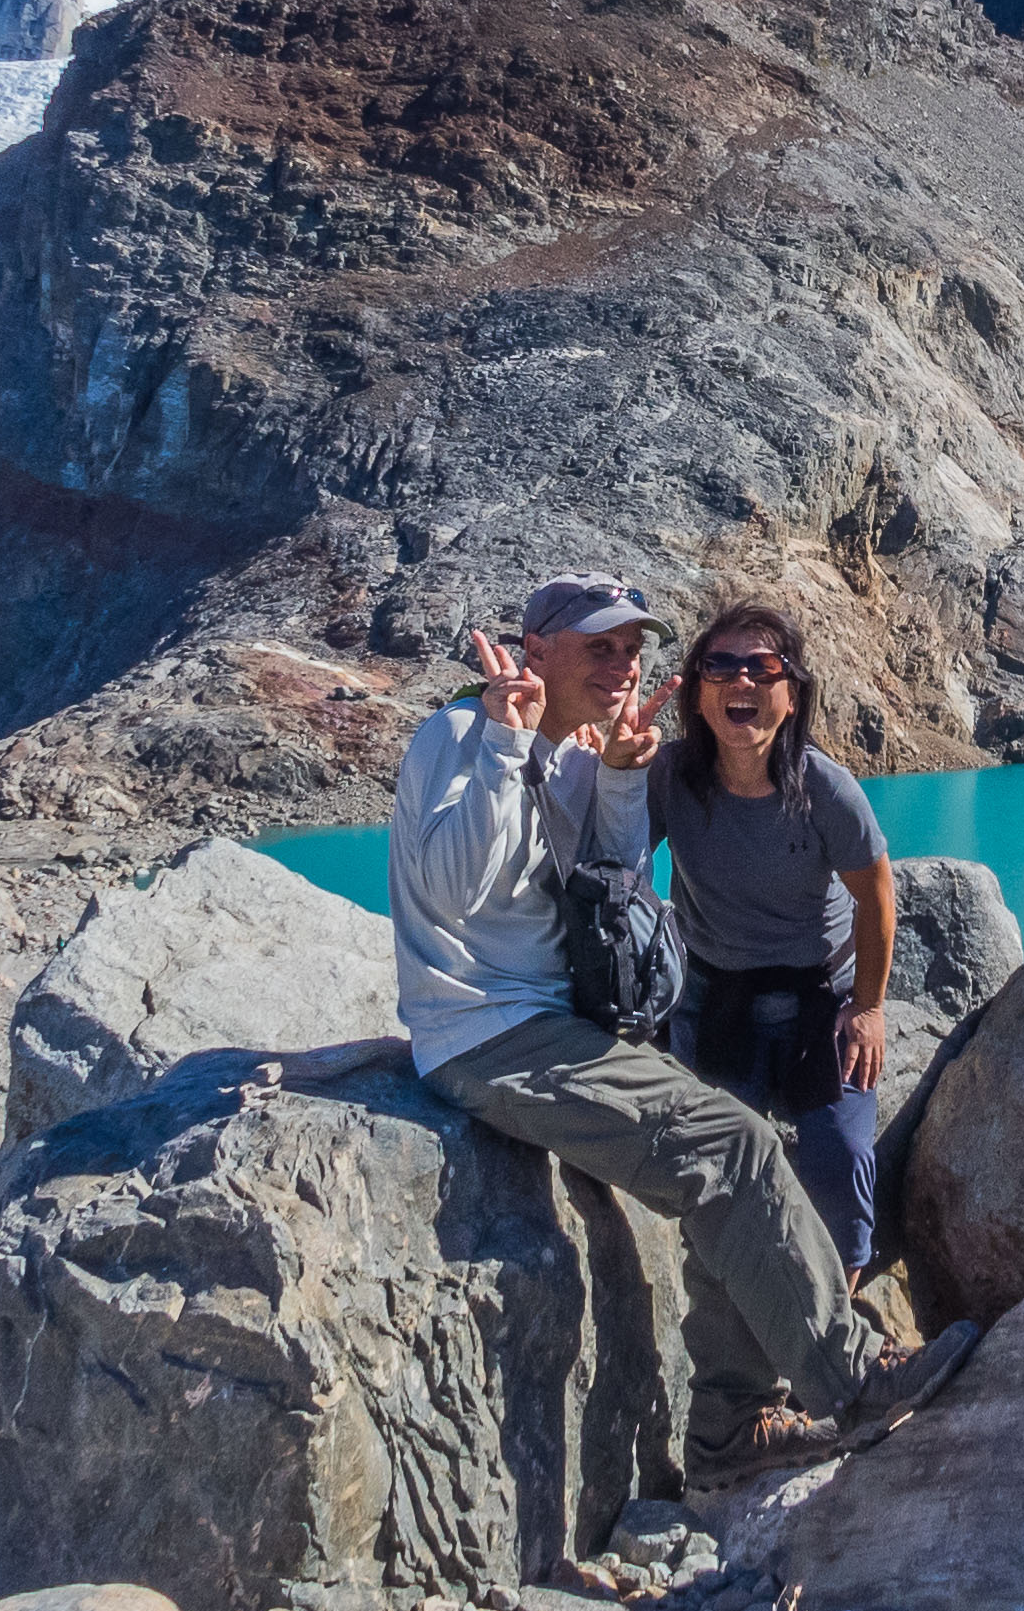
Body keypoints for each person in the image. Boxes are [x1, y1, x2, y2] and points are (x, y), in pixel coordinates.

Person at [389, 570, 973, 1486]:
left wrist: (619, 779)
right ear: (535, 649)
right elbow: (457, 894)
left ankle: (729, 1431)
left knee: (731, 1165)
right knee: (733, 1144)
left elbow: (613, 884)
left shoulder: (588, 753)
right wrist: (508, 740)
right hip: (487, 1031)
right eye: (599, 646)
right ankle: (850, 1382)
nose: (623, 664)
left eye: (632, 647)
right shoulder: (458, 735)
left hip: (567, 1020)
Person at [654, 600, 893, 1277]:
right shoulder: (669, 777)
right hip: (714, 996)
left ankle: (842, 1309)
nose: (742, 683)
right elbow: (610, 860)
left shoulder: (825, 790)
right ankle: (740, 1320)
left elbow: (876, 899)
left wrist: (870, 1009)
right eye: (720, 666)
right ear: (697, 693)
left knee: (839, 1161)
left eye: (764, 668)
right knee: (716, 1166)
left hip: (821, 1001)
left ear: (792, 697)